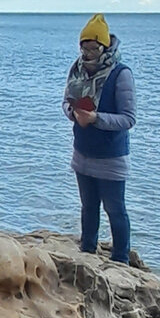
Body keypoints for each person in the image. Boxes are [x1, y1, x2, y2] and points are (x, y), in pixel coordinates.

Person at [62, 13, 136, 263]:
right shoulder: (77, 70)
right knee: (88, 208)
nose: (89, 53)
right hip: (83, 151)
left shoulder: (120, 74)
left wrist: (96, 119)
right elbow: (65, 103)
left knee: (115, 210)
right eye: (85, 47)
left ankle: (121, 260)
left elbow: (128, 119)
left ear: (105, 46)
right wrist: (73, 113)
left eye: (94, 48)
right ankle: (88, 252)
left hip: (111, 156)